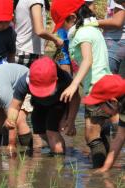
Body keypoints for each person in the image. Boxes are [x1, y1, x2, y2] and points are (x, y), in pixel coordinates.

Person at [51, 0, 113, 168]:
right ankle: (108, 166)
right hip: (106, 85)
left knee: (91, 134)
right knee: (102, 129)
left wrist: (73, 85)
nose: (62, 29)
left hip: (97, 88)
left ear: (72, 17)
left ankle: (100, 171)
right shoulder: (91, 29)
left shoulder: (82, 34)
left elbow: (88, 60)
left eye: (62, 24)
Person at [5, 57, 80, 155]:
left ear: (56, 79)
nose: (43, 92)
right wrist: (10, 120)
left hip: (59, 102)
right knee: (40, 131)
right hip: (38, 103)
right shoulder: (25, 81)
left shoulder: (64, 78)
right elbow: (15, 106)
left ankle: (59, 163)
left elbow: (75, 98)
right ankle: (55, 151)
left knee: (51, 132)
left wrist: (70, 120)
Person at [81, 75, 125, 172]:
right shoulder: (121, 105)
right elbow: (120, 138)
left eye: (98, 104)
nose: (99, 109)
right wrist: (105, 168)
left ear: (113, 102)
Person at [15, 0, 63, 67]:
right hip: (27, 52)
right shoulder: (35, 1)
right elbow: (39, 31)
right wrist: (56, 39)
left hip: (23, 50)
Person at [98, 0, 124, 76]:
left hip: (115, 42)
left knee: (109, 79)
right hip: (116, 42)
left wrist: (92, 22)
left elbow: (117, 22)